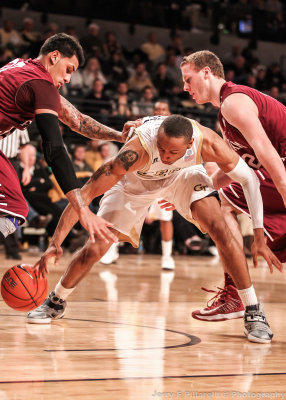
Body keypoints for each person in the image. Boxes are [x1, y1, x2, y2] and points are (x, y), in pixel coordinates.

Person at [28, 114, 281, 344]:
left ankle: (253, 310)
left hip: (183, 175)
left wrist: (258, 235)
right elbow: (83, 195)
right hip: (134, 183)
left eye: (172, 151)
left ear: (190, 144)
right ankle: (56, 301)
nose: (166, 155)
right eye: (161, 148)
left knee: (220, 224)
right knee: (95, 249)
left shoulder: (208, 142)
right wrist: (55, 242)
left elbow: (248, 178)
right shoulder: (135, 152)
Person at [180, 49, 286, 321]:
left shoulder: (234, 103)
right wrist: (190, 193)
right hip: (276, 175)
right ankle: (236, 296)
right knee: (221, 202)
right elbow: (233, 168)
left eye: (188, 79)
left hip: (281, 172)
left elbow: (269, 156)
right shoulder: (225, 113)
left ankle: (236, 296)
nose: (184, 87)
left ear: (207, 72)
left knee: (223, 205)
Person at [0, 32, 127, 244]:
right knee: (15, 209)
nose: (68, 79)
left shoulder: (20, 66)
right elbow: (54, 149)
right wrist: (82, 210)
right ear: (54, 56)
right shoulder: (41, 85)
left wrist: (118, 136)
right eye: (68, 70)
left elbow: (77, 119)